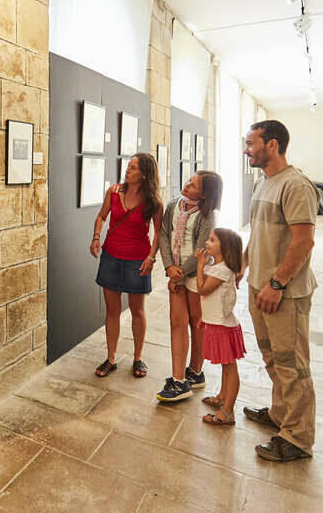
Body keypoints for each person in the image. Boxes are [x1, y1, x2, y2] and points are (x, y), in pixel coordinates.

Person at [241, 119, 319, 462]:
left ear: (271, 145)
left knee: (293, 364)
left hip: (283, 293)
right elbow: (260, 233)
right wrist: (244, 263)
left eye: (251, 143)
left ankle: (298, 438)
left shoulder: (295, 185)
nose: (247, 150)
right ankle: (280, 414)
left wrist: (276, 283)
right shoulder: (265, 182)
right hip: (261, 287)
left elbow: (304, 242)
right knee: (273, 357)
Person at [90, 153, 163, 378]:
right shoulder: (113, 191)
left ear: (144, 174)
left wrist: (151, 258)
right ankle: (111, 358)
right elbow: (102, 216)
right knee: (112, 311)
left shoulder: (153, 202)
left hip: (137, 260)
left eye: (132, 168)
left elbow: (159, 233)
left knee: (137, 310)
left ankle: (138, 358)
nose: (127, 170)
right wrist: (95, 237)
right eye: (128, 167)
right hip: (111, 257)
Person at [156, 171, 223, 402]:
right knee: (177, 322)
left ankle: (195, 372)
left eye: (193, 185)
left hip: (196, 274)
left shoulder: (208, 215)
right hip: (176, 272)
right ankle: (178, 380)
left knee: (197, 323)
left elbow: (202, 249)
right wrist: (169, 268)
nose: (186, 185)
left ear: (204, 194)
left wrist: (181, 272)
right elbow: (164, 235)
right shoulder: (173, 205)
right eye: (188, 180)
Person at [195, 228, 246, 426]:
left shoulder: (222, 270)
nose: (207, 243)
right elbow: (211, 300)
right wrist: (204, 318)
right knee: (226, 366)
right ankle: (222, 397)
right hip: (216, 323)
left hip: (223, 326)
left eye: (212, 240)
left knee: (229, 367)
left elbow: (202, 289)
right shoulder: (216, 267)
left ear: (224, 248)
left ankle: (228, 411)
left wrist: (200, 266)